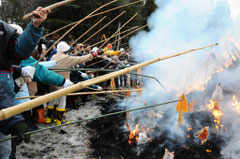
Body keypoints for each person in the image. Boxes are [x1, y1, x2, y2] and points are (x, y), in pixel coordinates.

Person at [0, 7, 51, 158]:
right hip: (6, 102)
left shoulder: (3, 29)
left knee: (6, 149)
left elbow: (20, 51)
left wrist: (34, 27)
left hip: (6, 101)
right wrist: (13, 120)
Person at [48, 41, 103, 125]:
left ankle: (49, 118)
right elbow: (80, 59)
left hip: (52, 83)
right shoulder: (67, 58)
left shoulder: (53, 57)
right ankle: (59, 120)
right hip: (62, 84)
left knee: (51, 100)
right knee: (62, 103)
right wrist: (94, 54)